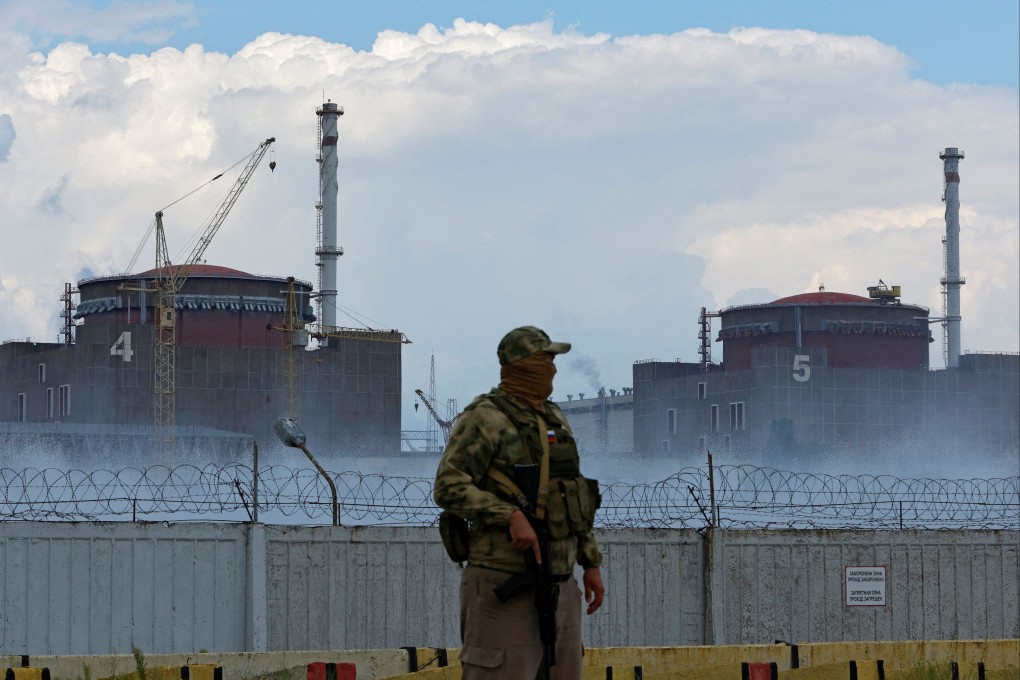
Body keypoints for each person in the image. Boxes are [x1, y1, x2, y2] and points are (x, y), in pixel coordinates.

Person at [434, 326, 605, 679]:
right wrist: (508, 514)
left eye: (553, 361)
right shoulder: (483, 419)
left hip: (561, 584)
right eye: (545, 360)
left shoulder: (555, 418)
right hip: (504, 585)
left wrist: (589, 562)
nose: (552, 369)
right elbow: (448, 486)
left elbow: (572, 494)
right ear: (521, 365)